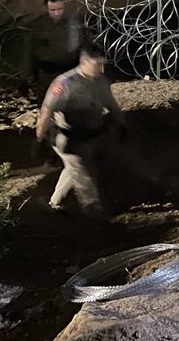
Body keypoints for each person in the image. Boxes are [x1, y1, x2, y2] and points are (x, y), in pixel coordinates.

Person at [36, 43, 123, 217]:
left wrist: (122, 125)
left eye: (103, 63)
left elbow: (112, 106)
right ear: (84, 62)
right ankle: (92, 209)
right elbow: (47, 110)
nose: (101, 68)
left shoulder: (101, 82)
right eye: (97, 64)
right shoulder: (65, 84)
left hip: (88, 135)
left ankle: (55, 201)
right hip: (65, 135)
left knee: (74, 168)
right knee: (81, 168)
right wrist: (39, 138)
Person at [21, 0, 85, 107]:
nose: (56, 13)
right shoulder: (37, 26)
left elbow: (84, 46)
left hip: (70, 73)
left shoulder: (73, 23)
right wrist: (29, 79)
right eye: (53, 10)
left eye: (60, 9)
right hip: (47, 75)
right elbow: (29, 54)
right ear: (47, 8)